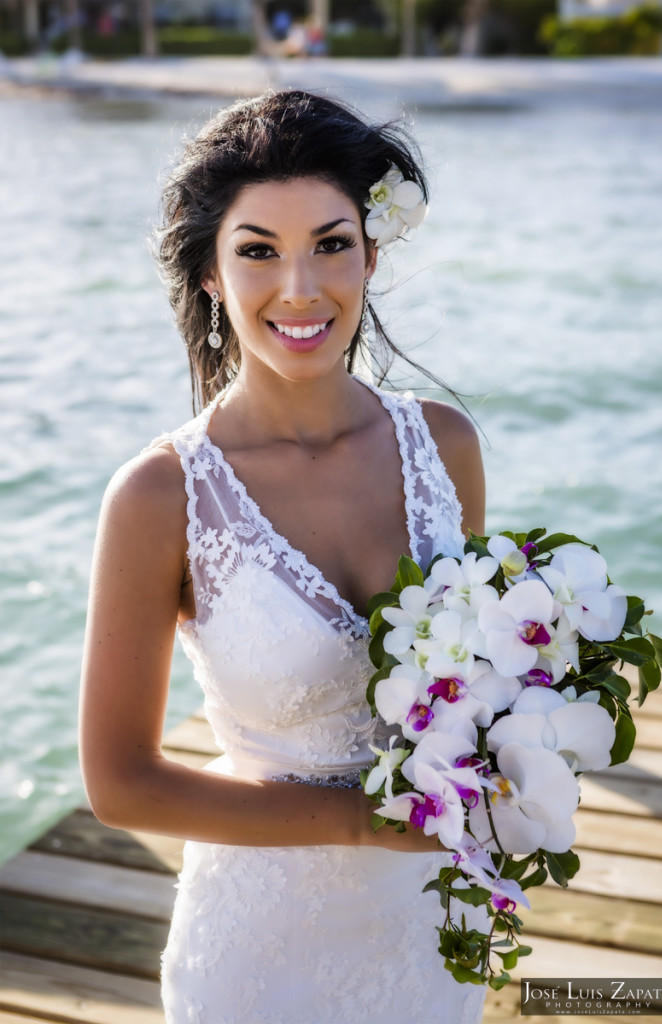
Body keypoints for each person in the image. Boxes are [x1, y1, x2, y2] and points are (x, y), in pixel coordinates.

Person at [79, 90, 487, 1024]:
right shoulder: (159, 495)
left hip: (428, 925)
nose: (300, 287)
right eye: (258, 250)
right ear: (214, 274)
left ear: (372, 255)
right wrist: (362, 824)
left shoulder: (445, 447)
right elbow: (118, 782)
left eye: (331, 244)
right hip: (258, 953)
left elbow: (468, 687)